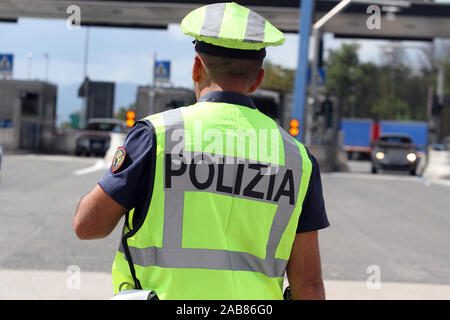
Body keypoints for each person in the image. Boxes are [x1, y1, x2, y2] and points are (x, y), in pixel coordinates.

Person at [74, 2, 329, 300]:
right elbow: (308, 282)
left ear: (196, 68)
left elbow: (88, 226)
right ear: (258, 79)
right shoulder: (297, 158)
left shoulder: (156, 136)